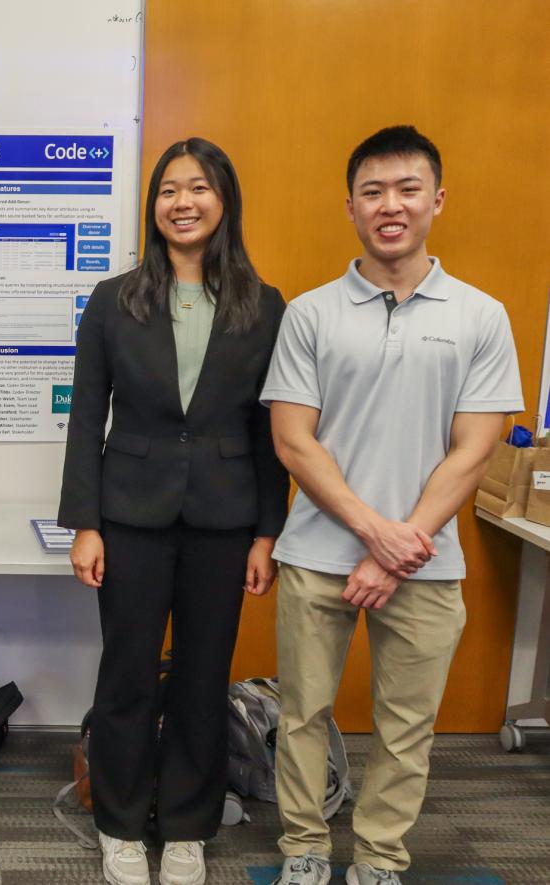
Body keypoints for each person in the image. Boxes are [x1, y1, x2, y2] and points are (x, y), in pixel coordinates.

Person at [261, 126, 522, 885]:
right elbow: (293, 441)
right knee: (304, 716)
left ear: (437, 200)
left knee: (407, 728)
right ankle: (304, 850)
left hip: (427, 561)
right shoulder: (310, 313)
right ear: (350, 207)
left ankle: (379, 857)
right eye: (373, 192)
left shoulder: (480, 315)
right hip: (317, 552)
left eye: (408, 189)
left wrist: (398, 544)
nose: (391, 205)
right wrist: (376, 535)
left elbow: (473, 448)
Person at [59, 138, 289, 885]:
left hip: (224, 521)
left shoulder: (264, 304)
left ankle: (188, 823)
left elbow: (268, 428)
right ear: (152, 206)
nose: (181, 202)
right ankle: (121, 823)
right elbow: (86, 415)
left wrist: (267, 532)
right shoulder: (114, 298)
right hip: (129, 513)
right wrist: (85, 522)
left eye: (197, 187)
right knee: (126, 673)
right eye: (168, 190)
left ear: (224, 200)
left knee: (201, 673)